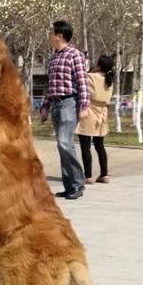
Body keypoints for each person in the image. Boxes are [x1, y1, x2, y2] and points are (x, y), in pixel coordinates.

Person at [39, 20, 89, 200]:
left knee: (64, 143)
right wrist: (44, 107)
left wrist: (84, 106)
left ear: (59, 35)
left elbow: (82, 82)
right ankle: (69, 186)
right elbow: (50, 85)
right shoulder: (53, 58)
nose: (49, 36)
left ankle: (77, 183)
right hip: (56, 104)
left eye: (51, 33)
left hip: (70, 103)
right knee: (63, 146)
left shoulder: (74, 55)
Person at [77, 55, 114, 184]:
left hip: (89, 111)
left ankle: (88, 176)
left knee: (85, 146)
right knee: (100, 145)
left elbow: (80, 78)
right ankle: (104, 174)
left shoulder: (91, 77)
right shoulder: (109, 80)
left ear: (99, 65)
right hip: (102, 113)